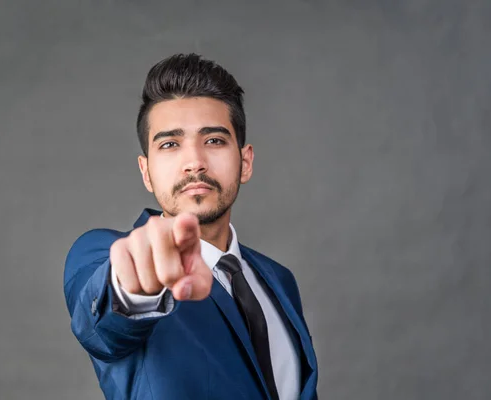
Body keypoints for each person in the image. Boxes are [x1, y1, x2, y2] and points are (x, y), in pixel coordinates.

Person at [63, 53, 318, 400]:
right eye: (169, 144)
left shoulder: (280, 280)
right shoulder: (104, 255)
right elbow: (105, 325)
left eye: (214, 140)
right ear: (146, 172)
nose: (194, 161)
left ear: (245, 162)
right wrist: (136, 290)